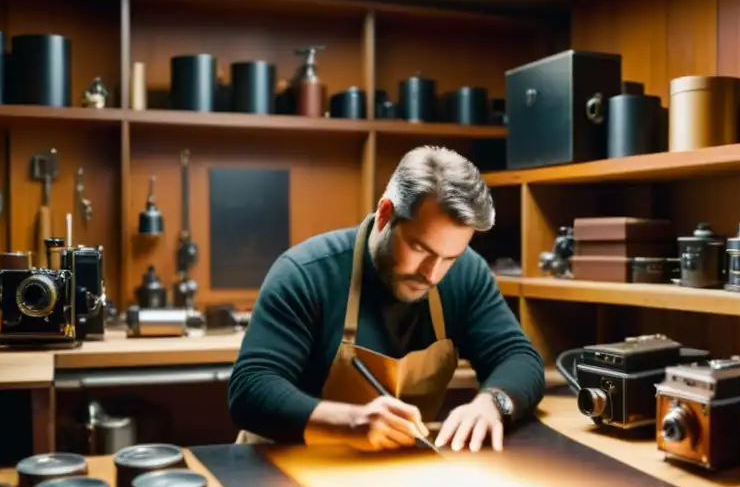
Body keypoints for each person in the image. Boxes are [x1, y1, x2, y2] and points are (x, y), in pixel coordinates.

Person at [228, 145, 546, 452]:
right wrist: (350, 422)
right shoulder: (306, 273)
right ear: (385, 214)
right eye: (421, 249)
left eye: (450, 257)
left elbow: (518, 357)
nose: (432, 275)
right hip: (288, 464)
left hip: (392, 470)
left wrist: (493, 403)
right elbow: (251, 389)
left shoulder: (466, 273)